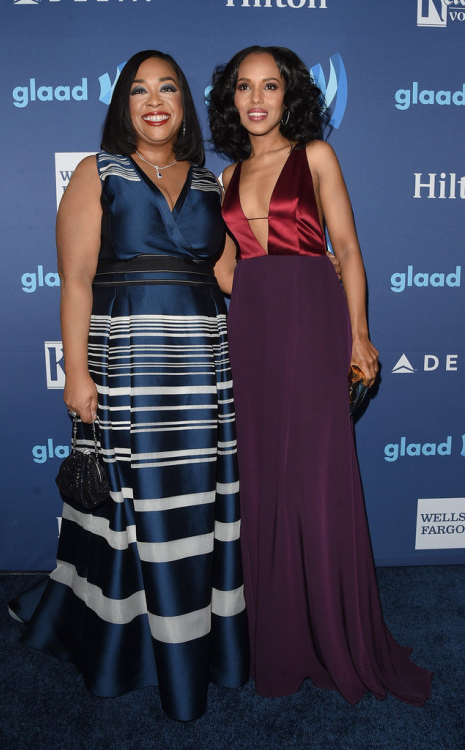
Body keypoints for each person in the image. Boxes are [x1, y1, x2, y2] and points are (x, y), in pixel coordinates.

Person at [9, 50, 249, 722]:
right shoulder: (97, 172)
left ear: (183, 104)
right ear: (123, 105)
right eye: (139, 90)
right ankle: (124, 647)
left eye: (167, 88)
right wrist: (77, 374)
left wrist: (316, 293)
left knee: (197, 504)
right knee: (130, 505)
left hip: (205, 363)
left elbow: (233, 280)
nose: (154, 100)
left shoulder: (209, 184)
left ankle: (203, 639)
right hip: (128, 361)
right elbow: (76, 280)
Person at [208, 45, 432, 706]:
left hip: (311, 324)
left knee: (315, 479)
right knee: (266, 485)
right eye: (244, 87)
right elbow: (223, 270)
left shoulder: (315, 157)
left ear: (289, 96)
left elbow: (350, 247)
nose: (256, 99)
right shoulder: (223, 179)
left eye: (269, 86)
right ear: (231, 100)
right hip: (252, 331)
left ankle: (337, 636)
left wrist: (358, 332)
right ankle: (279, 640)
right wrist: (250, 287)